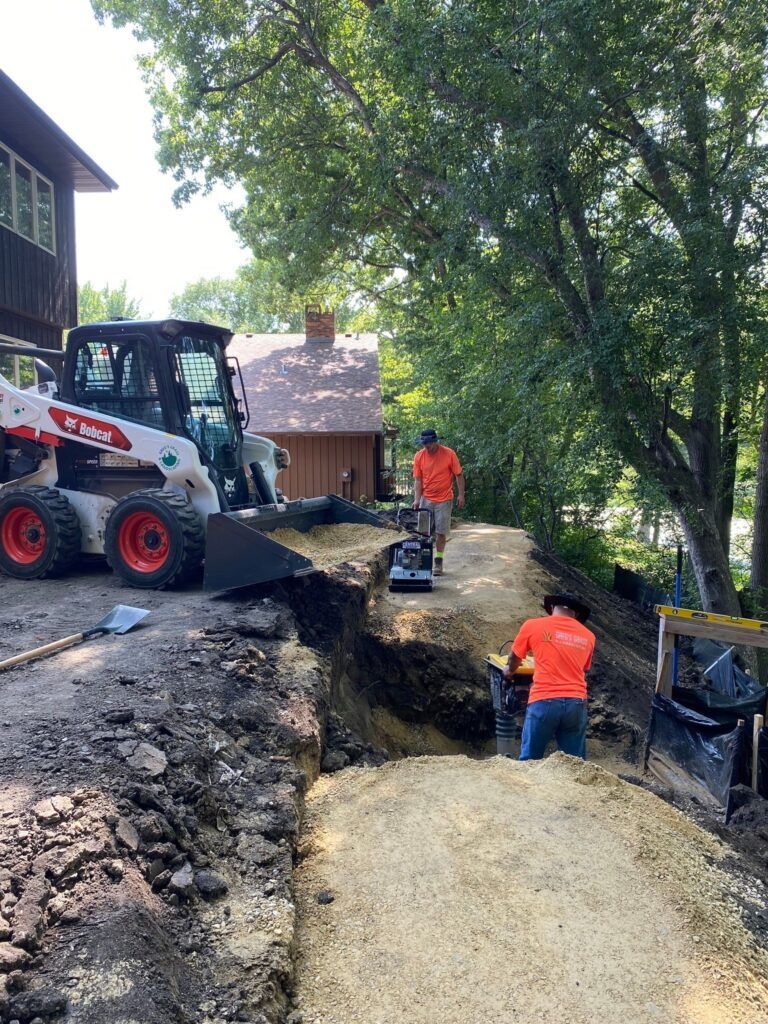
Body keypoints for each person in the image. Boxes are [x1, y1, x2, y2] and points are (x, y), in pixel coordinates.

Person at [504, 592, 595, 760]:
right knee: (575, 764)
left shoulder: (532, 626)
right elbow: (582, 669)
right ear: (576, 614)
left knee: (530, 759)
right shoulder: (589, 636)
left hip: (543, 700)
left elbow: (514, 658)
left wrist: (509, 672)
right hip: (576, 702)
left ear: (552, 608)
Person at [412, 428, 465, 576]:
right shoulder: (419, 456)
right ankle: (421, 559)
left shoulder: (449, 454)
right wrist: (417, 499)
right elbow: (418, 480)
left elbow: (459, 475)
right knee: (423, 531)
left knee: (441, 532)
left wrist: (461, 495)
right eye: (424, 444)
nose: (426, 447)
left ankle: (438, 561)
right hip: (426, 498)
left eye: (428, 444)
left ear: (435, 442)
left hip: (444, 499)